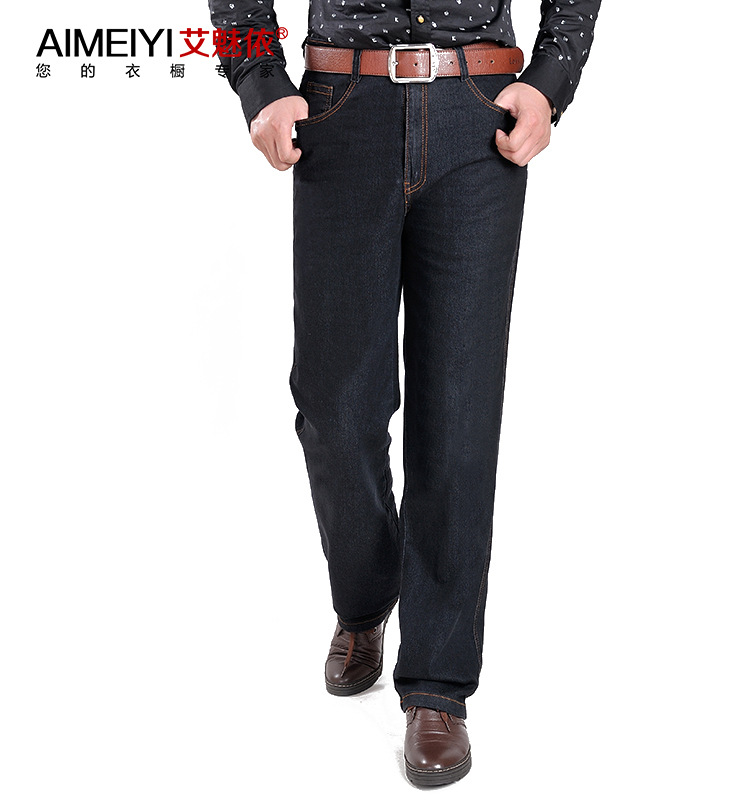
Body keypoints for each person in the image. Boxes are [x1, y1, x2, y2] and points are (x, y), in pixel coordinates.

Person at [208, 0, 601, 787]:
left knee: (458, 413)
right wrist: (258, 79)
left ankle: (437, 686)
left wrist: (552, 77)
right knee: (335, 409)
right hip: (340, 109)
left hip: (477, 111)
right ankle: (364, 601)